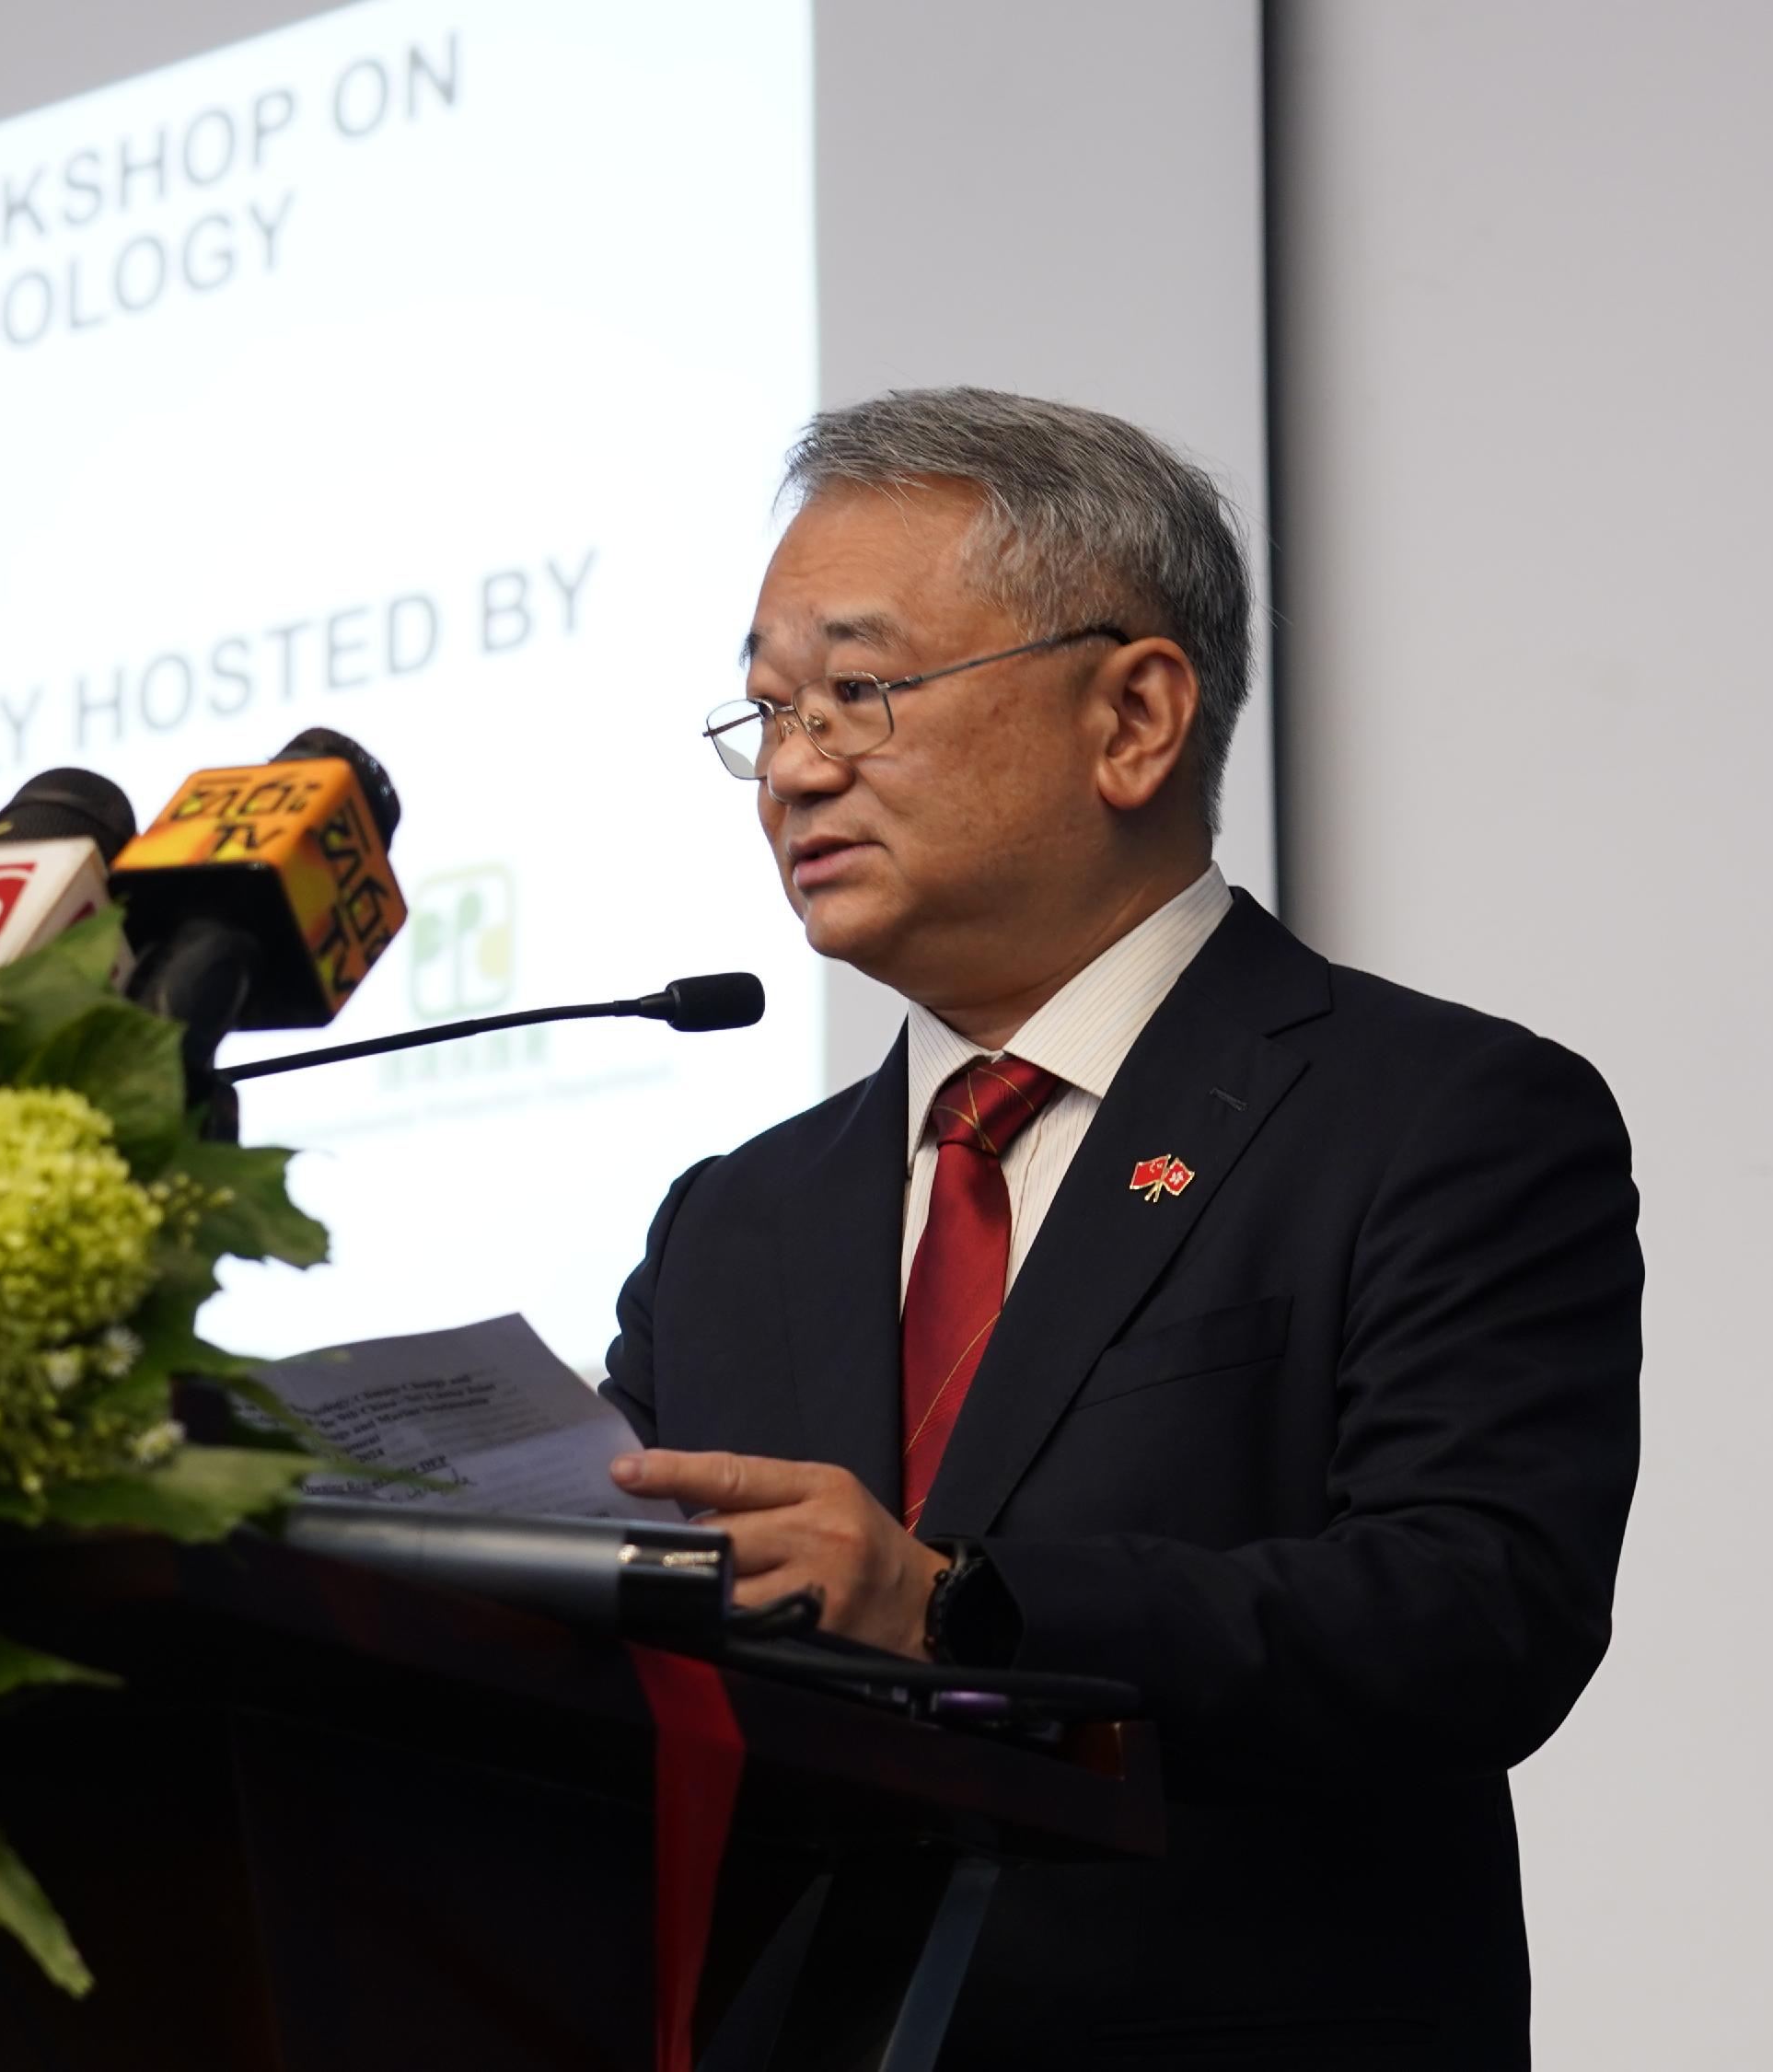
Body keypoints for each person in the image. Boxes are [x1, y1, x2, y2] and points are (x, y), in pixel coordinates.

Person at [600, 387, 1640, 2070]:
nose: (792, 768)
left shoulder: (1433, 1117)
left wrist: (958, 1610)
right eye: (767, 710)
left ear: (1134, 718)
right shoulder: (734, 1220)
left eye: (860, 692)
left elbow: (1474, 1613)